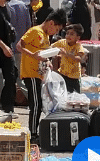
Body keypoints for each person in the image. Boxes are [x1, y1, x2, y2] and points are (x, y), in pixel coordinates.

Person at [17, 9, 67, 138]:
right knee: (36, 104)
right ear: (51, 23)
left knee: (40, 103)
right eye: (56, 29)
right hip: (31, 73)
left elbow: (43, 53)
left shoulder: (45, 36)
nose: (55, 33)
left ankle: (35, 131)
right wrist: (32, 55)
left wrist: (48, 61)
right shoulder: (35, 31)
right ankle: (33, 133)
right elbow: (19, 46)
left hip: (40, 74)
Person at [50, 23, 88, 93]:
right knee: (63, 93)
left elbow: (78, 59)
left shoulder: (78, 46)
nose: (68, 36)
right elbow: (51, 46)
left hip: (74, 77)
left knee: (74, 95)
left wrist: (66, 54)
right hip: (63, 74)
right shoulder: (62, 42)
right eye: (67, 33)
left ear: (78, 37)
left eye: (72, 34)